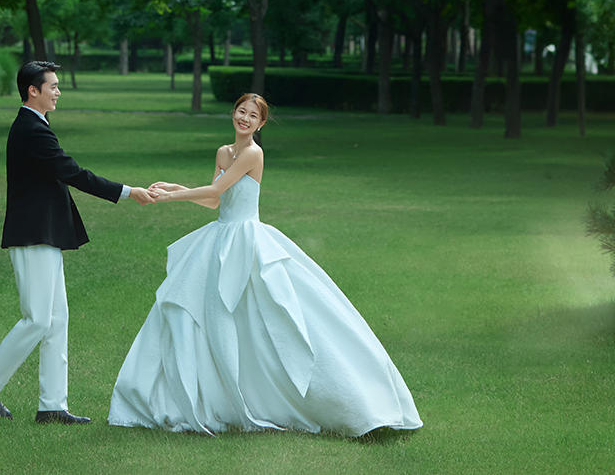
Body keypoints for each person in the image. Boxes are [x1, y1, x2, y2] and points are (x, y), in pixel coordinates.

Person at [108, 93, 422, 436]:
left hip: (247, 241)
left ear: (260, 123)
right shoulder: (223, 152)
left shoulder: (253, 153)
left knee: (268, 314)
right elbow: (214, 200)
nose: (244, 118)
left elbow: (226, 185)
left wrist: (170, 196)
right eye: (240, 112)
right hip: (220, 238)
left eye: (252, 115)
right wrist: (176, 186)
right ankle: (216, 393)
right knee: (205, 313)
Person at [0, 60, 155, 426]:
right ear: (33, 90)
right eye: (52, 85)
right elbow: (72, 172)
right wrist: (129, 193)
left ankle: (52, 406)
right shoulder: (32, 130)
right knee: (37, 319)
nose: (58, 91)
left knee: (55, 320)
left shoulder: (36, 126)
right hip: (32, 235)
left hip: (44, 234)